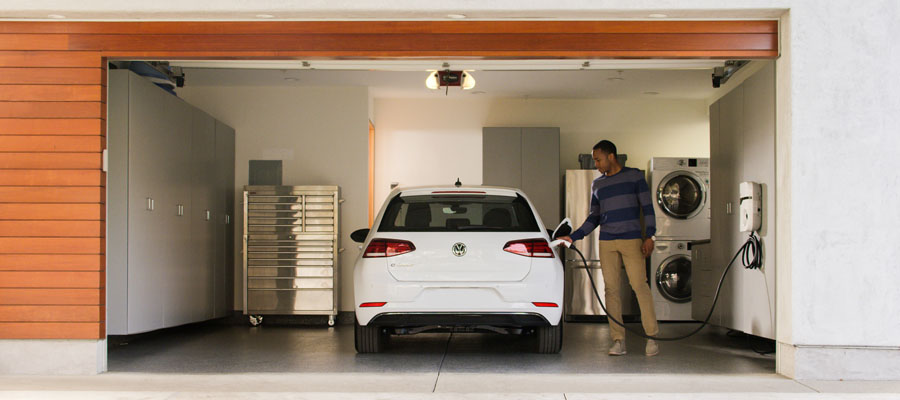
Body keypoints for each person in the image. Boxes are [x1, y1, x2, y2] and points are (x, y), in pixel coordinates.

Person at [558, 140, 660, 356]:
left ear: (611, 156)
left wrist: (650, 235)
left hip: (632, 240)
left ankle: (652, 338)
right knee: (611, 290)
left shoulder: (634, 177)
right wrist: (573, 237)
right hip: (607, 241)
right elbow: (593, 218)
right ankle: (618, 341)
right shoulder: (598, 185)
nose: (596, 164)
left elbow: (648, 208)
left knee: (639, 286)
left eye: (598, 159)